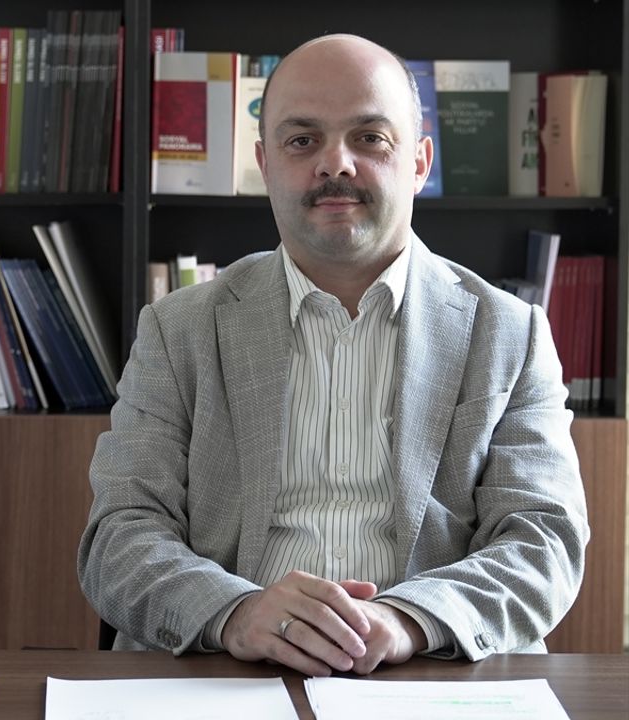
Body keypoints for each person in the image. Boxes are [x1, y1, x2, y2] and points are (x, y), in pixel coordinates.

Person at [76, 34, 589, 677]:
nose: (335, 164)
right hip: (224, 673)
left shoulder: (510, 332)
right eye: (302, 140)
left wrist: (408, 620)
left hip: (429, 672)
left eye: (370, 137)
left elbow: (544, 542)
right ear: (265, 165)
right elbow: (120, 535)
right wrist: (236, 613)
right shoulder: (177, 329)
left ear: (420, 162)